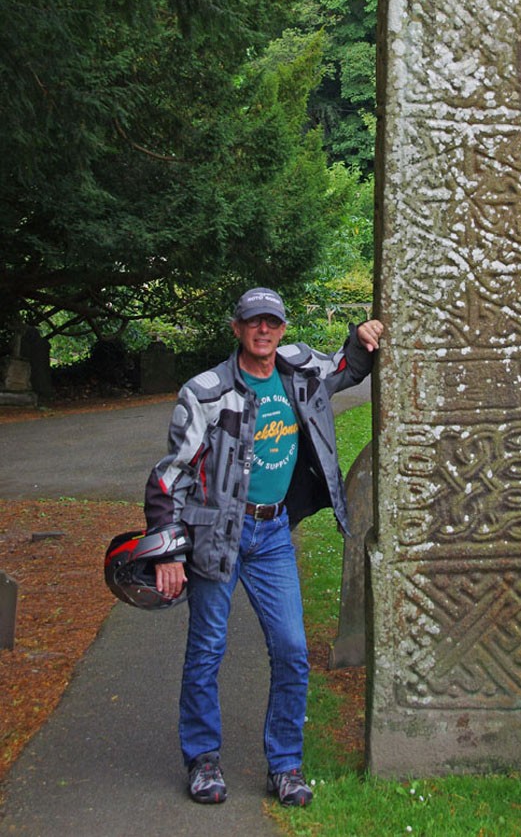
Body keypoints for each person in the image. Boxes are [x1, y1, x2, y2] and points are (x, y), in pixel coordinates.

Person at [144, 287, 383, 807]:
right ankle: (203, 759)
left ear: (282, 327)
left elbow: (346, 367)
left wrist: (361, 338)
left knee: (293, 650)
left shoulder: (299, 370)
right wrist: (165, 551)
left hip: (273, 534)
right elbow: (168, 477)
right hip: (217, 534)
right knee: (207, 650)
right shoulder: (205, 392)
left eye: (272, 322)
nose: (264, 331)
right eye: (254, 322)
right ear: (237, 328)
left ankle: (285, 766)